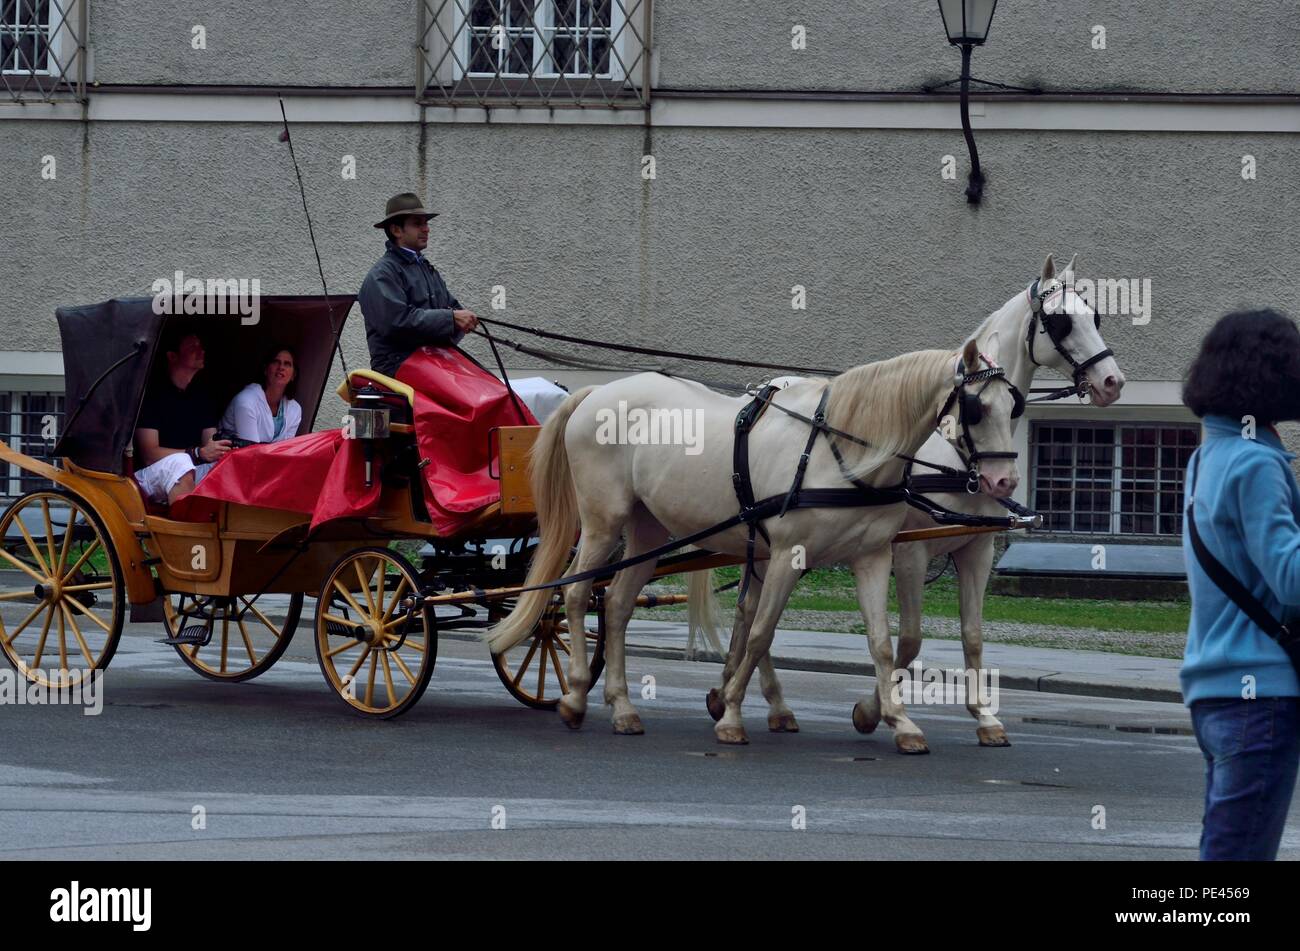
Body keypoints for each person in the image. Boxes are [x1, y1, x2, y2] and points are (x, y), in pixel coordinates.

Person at [1181, 308, 1300, 861]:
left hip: (1216, 691)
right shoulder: (1256, 464)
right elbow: (1291, 579)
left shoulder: (1207, 457)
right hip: (1261, 697)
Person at [358, 192, 480, 377]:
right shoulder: (382, 275)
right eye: (417, 224)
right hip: (397, 366)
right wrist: (451, 319)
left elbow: (452, 309)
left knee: (491, 388)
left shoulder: (426, 269)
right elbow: (397, 323)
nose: (426, 229)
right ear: (396, 230)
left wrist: (460, 321)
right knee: (472, 396)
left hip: (434, 360)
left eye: (426, 223)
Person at [133, 332, 230, 505]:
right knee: (181, 463)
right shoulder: (152, 394)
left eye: (201, 346)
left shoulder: (202, 395)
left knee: (228, 466)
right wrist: (197, 453)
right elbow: (149, 454)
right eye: (193, 347)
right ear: (172, 356)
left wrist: (218, 450)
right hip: (151, 474)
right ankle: (183, 529)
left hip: (189, 467)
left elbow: (211, 442)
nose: (201, 351)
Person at [220, 345, 303, 443]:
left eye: (287, 364)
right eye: (276, 362)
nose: (281, 367)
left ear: (293, 375)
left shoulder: (295, 409)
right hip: (229, 456)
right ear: (265, 369)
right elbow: (250, 452)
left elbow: (285, 449)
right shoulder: (246, 401)